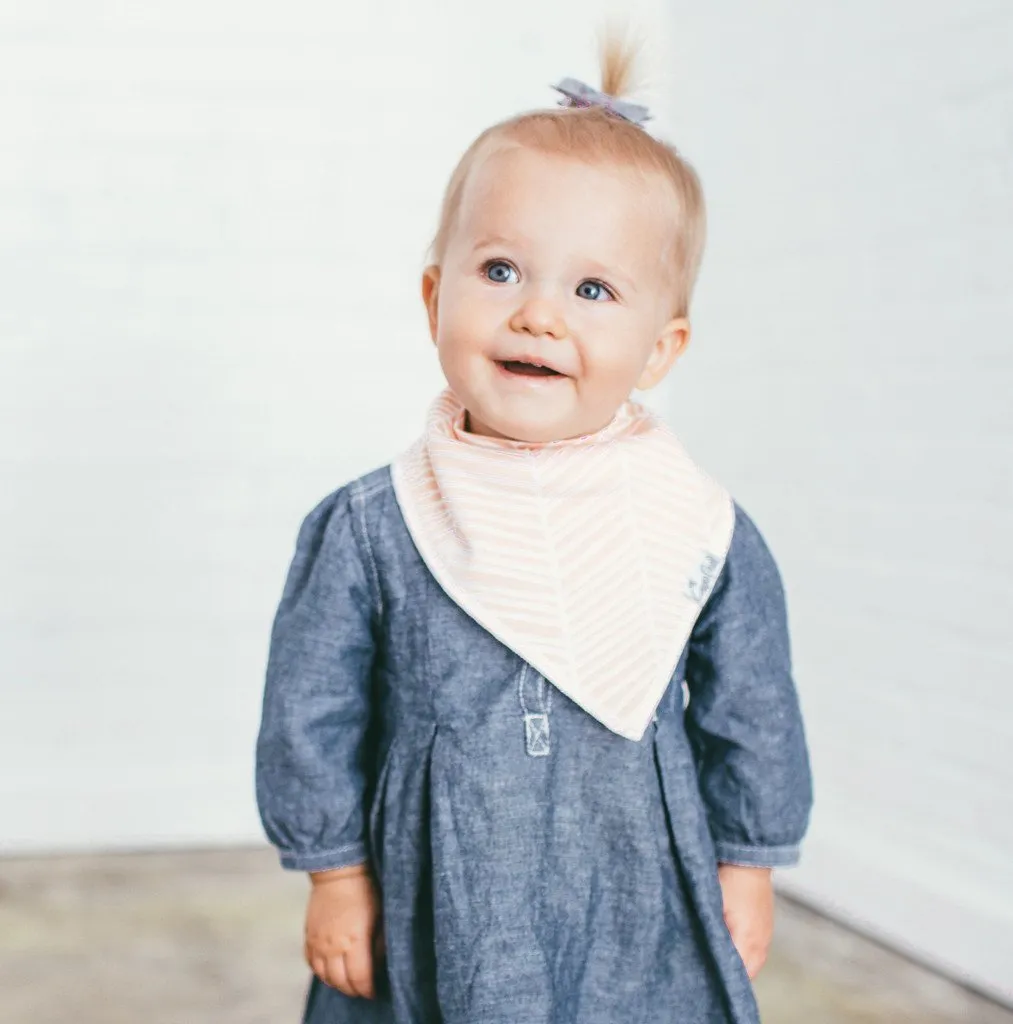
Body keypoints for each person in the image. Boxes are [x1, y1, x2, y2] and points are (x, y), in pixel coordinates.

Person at [255, 25, 813, 1024]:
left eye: (592, 289)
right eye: (501, 270)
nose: (538, 316)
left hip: (631, 895)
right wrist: (334, 874)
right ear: (434, 296)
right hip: (438, 897)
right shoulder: (374, 525)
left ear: (658, 348)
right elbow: (312, 713)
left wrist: (749, 863)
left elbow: (749, 710)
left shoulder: (694, 527)